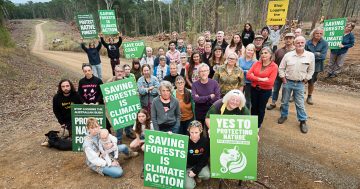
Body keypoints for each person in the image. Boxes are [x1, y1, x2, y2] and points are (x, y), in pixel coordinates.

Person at [278, 36, 315, 134]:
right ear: (294, 44)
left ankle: (302, 121)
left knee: (300, 103)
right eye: (298, 43)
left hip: (300, 83)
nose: (300, 44)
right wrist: (283, 79)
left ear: (305, 43)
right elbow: (281, 68)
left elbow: (311, 70)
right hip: (288, 82)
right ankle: (283, 115)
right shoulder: (288, 55)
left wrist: (306, 79)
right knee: (284, 101)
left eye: (302, 42)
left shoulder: (310, 56)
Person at [247, 47, 278, 128]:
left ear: (271, 54)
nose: (263, 55)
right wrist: (261, 79)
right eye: (262, 53)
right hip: (254, 89)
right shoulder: (256, 63)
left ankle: (258, 125)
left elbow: (270, 82)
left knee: (261, 108)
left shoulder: (274, 66)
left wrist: (254, 78)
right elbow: (248, 75)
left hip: (265, 91)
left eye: (266, 53)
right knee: (253, 107)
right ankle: (252, 123)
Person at [267, 33, 296, 110]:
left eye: (290, 38)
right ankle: (273, 103)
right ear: (284, 40)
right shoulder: (279, 51)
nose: (288, 40)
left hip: (289, 75)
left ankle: (283, 105)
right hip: (278, 74)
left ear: (293, 39)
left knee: (285, 91)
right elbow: (274, 62)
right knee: (275, 89)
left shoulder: (296, 51)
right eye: (286, 38)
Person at [107, 65, 135, 142]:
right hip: (116, 105)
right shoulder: (109, 82)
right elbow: (106, 95)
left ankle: (128, 132)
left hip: (127, 104)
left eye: (121, 71)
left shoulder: (128, 82)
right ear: (114, 72)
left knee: (130, 118)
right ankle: (118, 138)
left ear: (123, 72)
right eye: (117, 71)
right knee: (119, 120)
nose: (119, 73)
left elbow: (133, 93)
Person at [305, 28, 328, 105]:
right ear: (313, 34)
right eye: (317, 33)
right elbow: (303, 54)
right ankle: (295, 94)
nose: (319, 35)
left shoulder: (324, 43)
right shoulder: (307, 43)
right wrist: (317, 54)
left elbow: (323, 56)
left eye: (321, 33)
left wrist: (311, 54)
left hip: (316, 65)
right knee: (301, 80)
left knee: (311, 82)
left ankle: (309, 96)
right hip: (305, 64)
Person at [185, 120, 210, 189]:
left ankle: (196, 175)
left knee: (206, 175)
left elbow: (205, 158)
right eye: (192, 132)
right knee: (189, 186)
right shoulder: (184, 140)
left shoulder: (205, 141)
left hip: (199, 164)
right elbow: (173, 141)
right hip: (187, 166)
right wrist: (170, 135)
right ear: (188, 131)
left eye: (196, 132)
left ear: (201, 131)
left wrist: (196, 170)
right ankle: (191, 177)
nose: (194, 135)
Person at [130, 109, 154, 179]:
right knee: (132, 146)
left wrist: (143, 142)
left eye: (143, 116)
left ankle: (147, 154)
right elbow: (136, 131)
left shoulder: (151, 124)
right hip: (142, 137)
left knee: (144, 148)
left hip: (150, 139)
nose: (141, 118)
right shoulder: (137, 122)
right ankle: (140, 148)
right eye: (139, 116)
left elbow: (153, 137)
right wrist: (138, 140)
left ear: (146, 116)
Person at [238, 44, 257, 109]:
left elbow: (254, 72)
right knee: (238, 97)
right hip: (239, 81)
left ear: (254, 52)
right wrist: (247, 71)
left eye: (251, 50)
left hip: (249, 82)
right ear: (245, 50)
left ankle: (247, 112)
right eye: (248, 50)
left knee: (247, 99)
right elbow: (237, 68)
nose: (249, 51)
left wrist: (244, 71)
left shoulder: (255, 61)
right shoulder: (240, 59)